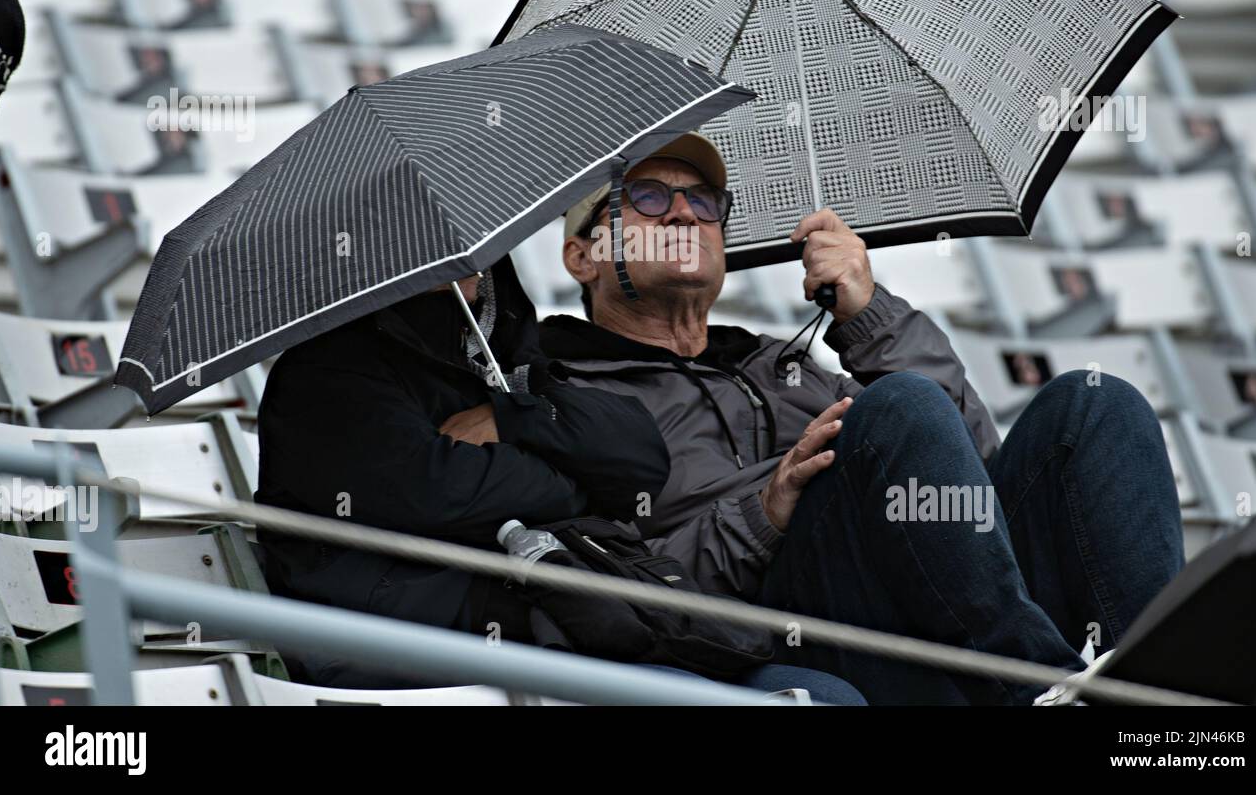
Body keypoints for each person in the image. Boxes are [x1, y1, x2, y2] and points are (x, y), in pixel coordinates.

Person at [542, 133, 1185, 705]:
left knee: (1094, 405)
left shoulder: (778, 365)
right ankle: (1036, 686)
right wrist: (761, 516)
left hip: (935, 597)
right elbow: (607, 585)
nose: (685, 212)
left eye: (705, 200)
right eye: (649, 197)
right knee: (899, 404)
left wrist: (869, 313)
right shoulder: (560, 399)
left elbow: (971, 468)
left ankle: (1167, 698)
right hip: (781, 633)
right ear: (582, 256)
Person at [255, 253, 865, 704]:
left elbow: (635, 458)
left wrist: (509, 417)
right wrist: (567, 476)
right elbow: (438, 490)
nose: (464, 265)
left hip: (573, 620)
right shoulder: (327, 374)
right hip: (427, 651)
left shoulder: (502, 360)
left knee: (829, 694)